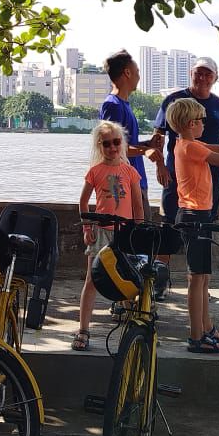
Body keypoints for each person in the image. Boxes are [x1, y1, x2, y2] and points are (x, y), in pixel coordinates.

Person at [165, 96, 219, 354]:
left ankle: (205, 326)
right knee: (196, 279)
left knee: (203, 278)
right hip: (193, 217)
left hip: (198, 215)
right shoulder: (189, 147)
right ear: (191, 123)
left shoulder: (189, 143)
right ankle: (195, 335)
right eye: (202, 121)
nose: (205, 124)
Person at [73, 120, 145, 351]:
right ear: (99, 145)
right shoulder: (95, 171)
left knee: (129, 280)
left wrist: (138, 229)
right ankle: (83, 329)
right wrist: (87, 228)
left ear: (122, 143)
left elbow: (137, 204)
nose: (112, 148)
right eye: (107, 144)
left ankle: (132, 327)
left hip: (124, 233)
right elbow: (84, 201)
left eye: (116, 142)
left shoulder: (130, 171)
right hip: (101, 232)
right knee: (91, 280)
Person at [155, 56, 219, 223]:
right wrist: (160, 165)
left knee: (204, 225)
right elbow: (158, 136)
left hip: (209, 173)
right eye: (198, 73)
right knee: (170, 222)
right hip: (176, 174)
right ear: (191, 73)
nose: (203, 78)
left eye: (208, 75)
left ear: (215, 78)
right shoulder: (173, 101)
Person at [98, 50, 163, 214]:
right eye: (137, 72)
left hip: (135, 180)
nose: (139, 77)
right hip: (122, 185)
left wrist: (148, 144)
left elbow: (126, 145)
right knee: (133, 236)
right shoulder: (113, 105)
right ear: (127, 73)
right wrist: (145, 151)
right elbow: (112, 150)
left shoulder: (123, 104)